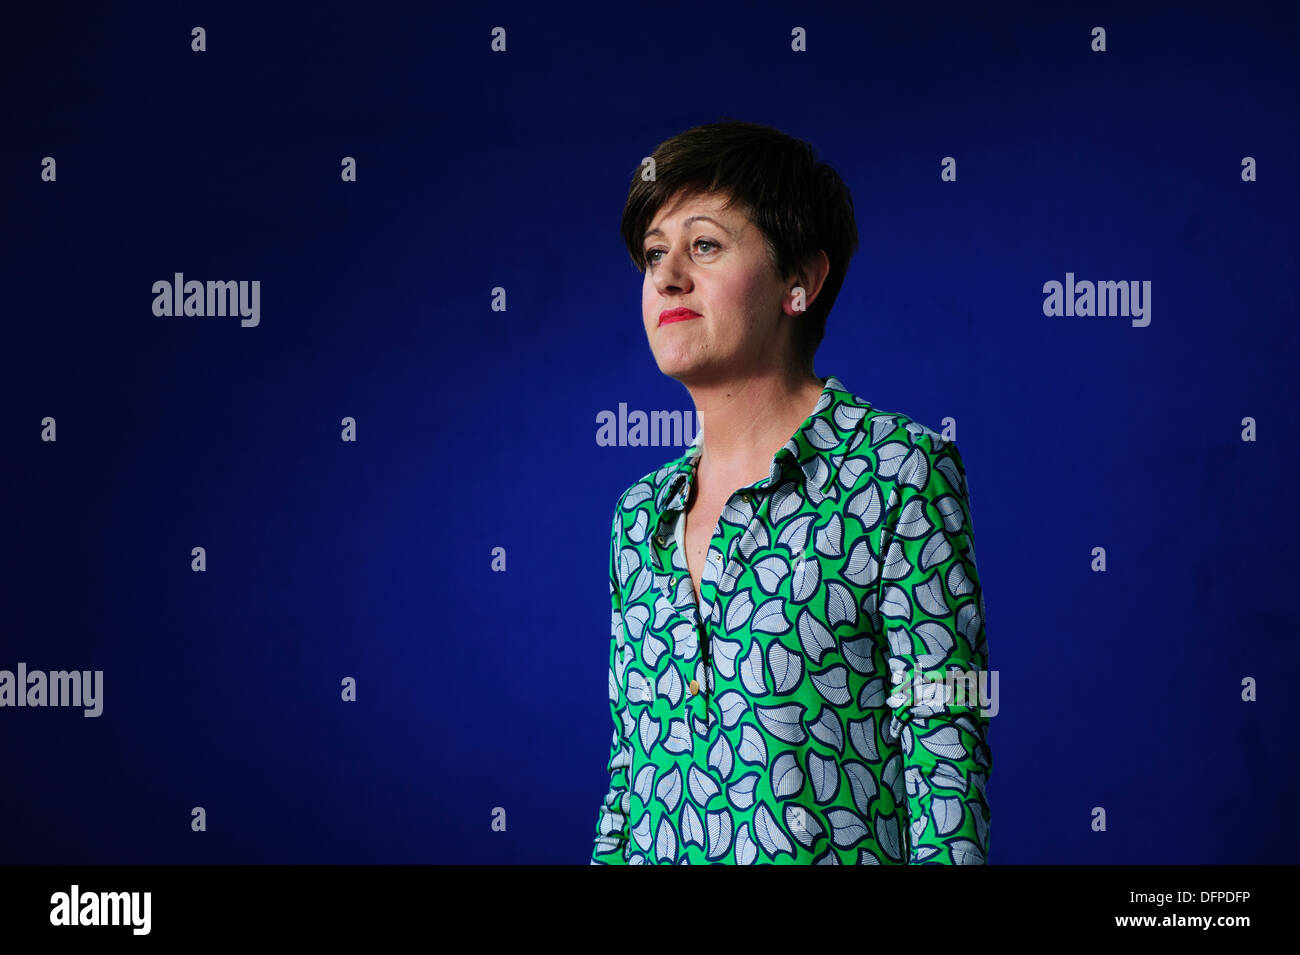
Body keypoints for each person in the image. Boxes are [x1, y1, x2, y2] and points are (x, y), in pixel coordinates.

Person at [591, 119, 992, 864]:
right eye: (653, 253)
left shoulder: (900, 471)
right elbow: (628, 782)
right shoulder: (638, 518)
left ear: (801, 280)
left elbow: (948, 750)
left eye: (704, 244)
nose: (667, 274)